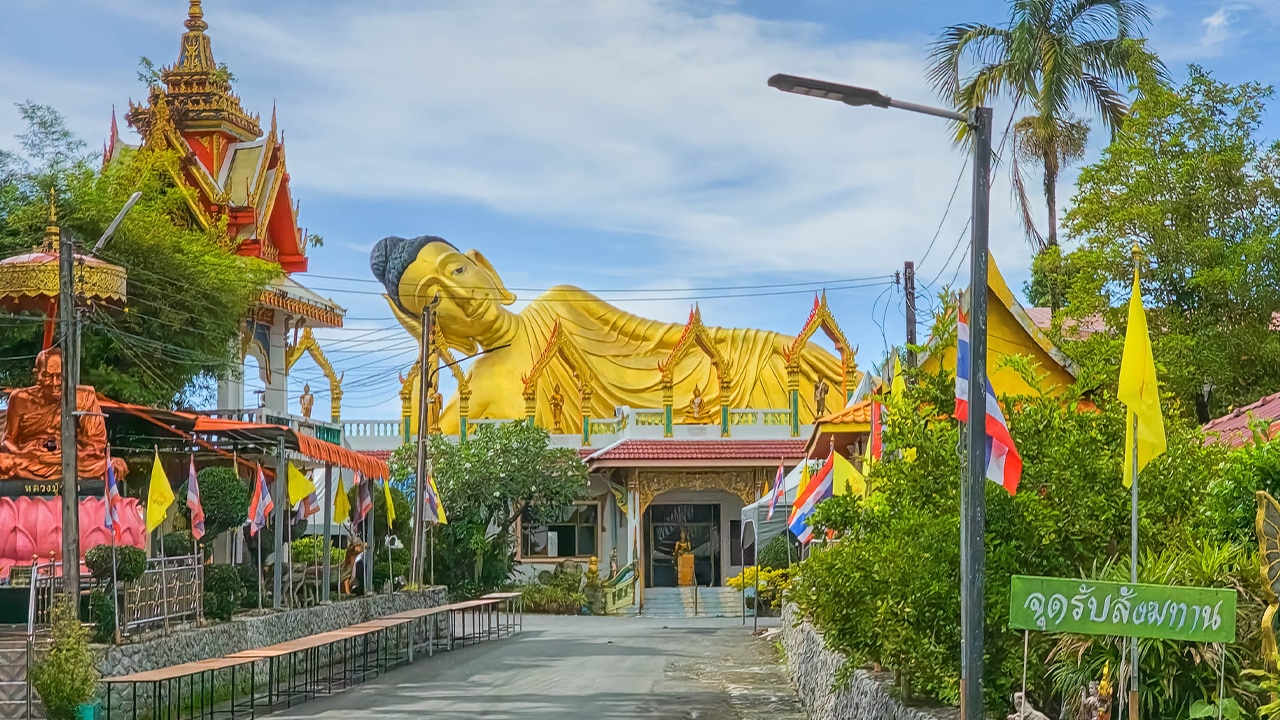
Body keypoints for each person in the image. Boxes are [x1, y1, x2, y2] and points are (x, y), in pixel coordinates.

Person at [370, 235, 846, 432]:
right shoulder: (480, 388)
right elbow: (423, 457)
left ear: (483, 267)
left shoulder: (561, 302)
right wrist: (423, 378)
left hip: (692, 390)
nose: (459, 293)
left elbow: (657, 339)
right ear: (436, 327)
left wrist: (748, 348)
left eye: (456, 270)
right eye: (435, 299)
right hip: (619, 443)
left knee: (778, 363)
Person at [0, 347, 127, 482]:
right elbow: (7, 441)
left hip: (74, 460)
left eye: (60, 376)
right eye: (48, 376)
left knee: (116, 465)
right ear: (37, 375)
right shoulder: (20, 398)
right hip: (32, 459)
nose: (55, 383)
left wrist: (68, 454)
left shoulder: (84, 397)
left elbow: (96, 444)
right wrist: (25, 453)